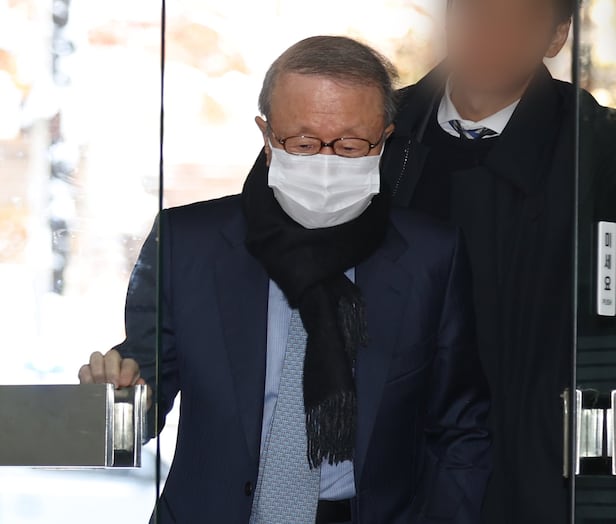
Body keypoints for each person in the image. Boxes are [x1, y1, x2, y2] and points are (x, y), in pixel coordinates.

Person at [79, 36, 491, 524]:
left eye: (350, 145)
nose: (326, 162)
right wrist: (117, 397)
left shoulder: (429, 256)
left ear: (384, 139)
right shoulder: (188, 244)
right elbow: (142, 400)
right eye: (304, 143)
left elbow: (462, 427)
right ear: (267, 137)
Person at [381, 1, 616, 523]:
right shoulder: (375, 131)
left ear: (556, 37)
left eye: (515, 22)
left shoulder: (598, 151)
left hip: (539, 471)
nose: (488, 36)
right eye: (475, 14)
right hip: (389, 465)